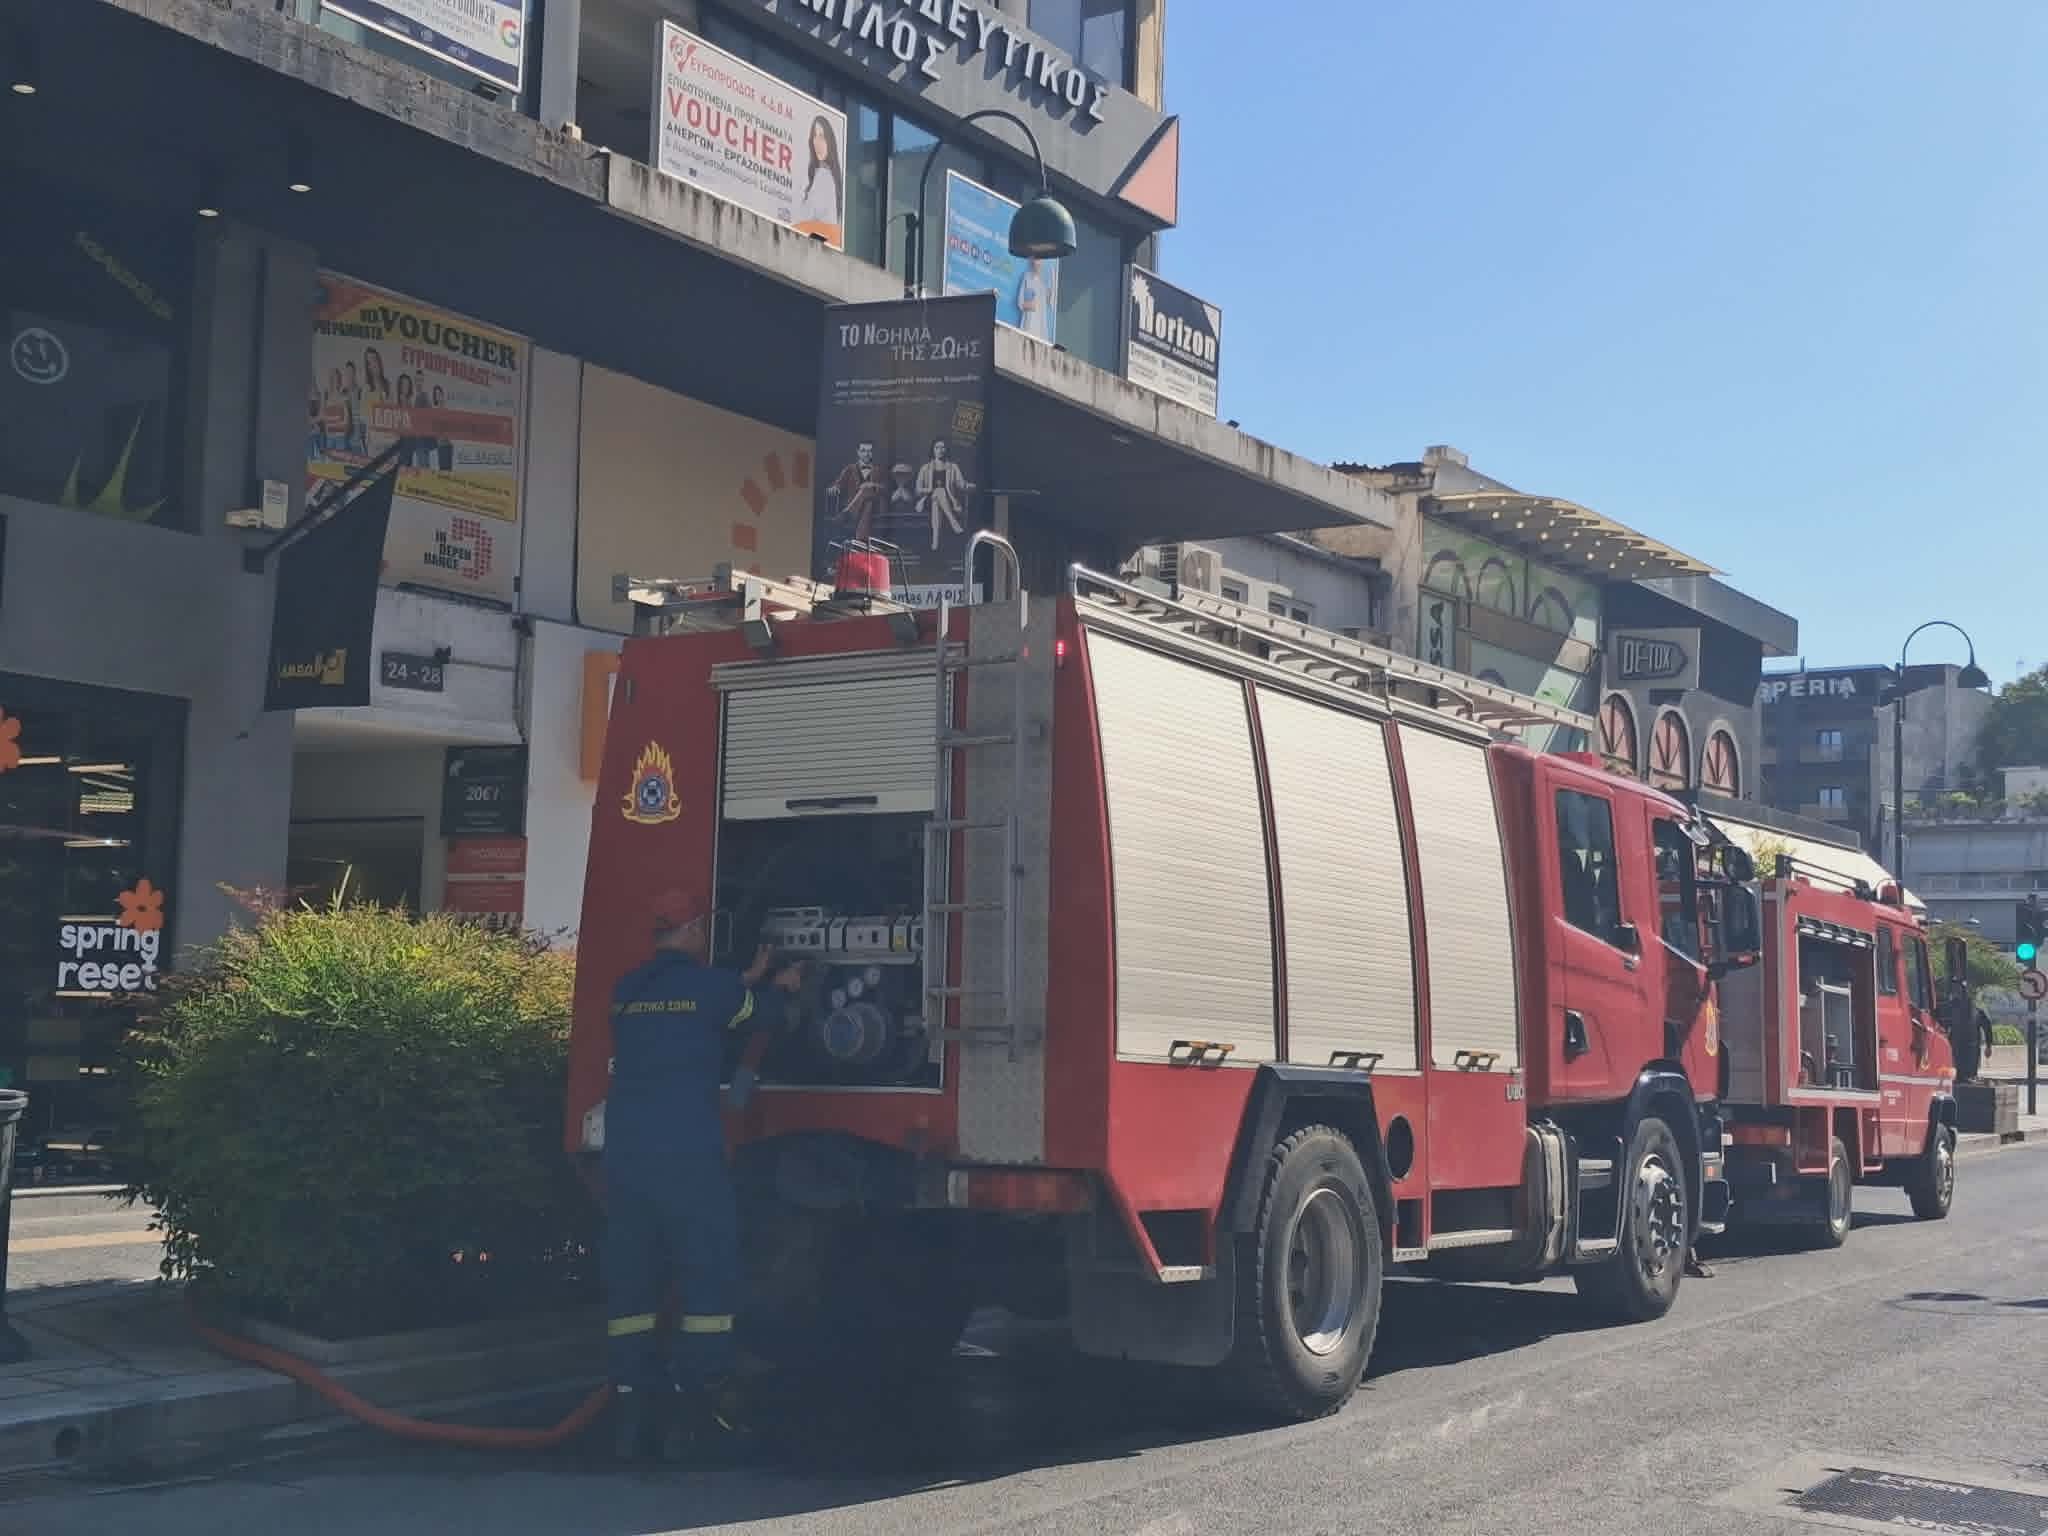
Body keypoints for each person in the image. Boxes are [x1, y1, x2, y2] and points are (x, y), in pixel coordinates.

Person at [603, 891, 801, 1462]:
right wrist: (779, 986)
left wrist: (745, 976)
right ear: (691, 930)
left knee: (633, 1278)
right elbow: (755, 1015)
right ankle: (702, 1401)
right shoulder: (713, 989)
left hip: (627, 1154)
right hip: (686, 1154)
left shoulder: (628, 990)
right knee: (706, 1267)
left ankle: (632, 1407)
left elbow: (692, 1006)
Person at [916, 438, 974, 551]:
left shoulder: (953, 467)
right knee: (938, 491)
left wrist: (970, 486)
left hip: (946, 501)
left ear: (946, 450)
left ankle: (935, 542)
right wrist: (928, 489)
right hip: (927, 500)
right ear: (933, 450)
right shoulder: (925, 468)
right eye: (937, 447)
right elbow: (917, 490)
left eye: (942, 447)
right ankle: (954, 522)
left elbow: (961, 484)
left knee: (938, 499)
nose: (940, 450)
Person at [793, 115, 843, 244]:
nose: (817, 142)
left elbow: (805, 216)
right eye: (815, 136)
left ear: (829, 142)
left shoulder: (824, 176)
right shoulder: (828, 175)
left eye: (822, 137)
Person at [1016, 256, 1053, 343]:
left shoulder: (1045, 283)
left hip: (1041, 332)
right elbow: (1020, 303)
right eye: (1036, 260)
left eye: (1040, 260)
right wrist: (1029, 306)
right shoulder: (1027, 277)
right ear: (1032, 261)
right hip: (1028, 328)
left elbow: (1048, 303)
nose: (1037, 263)